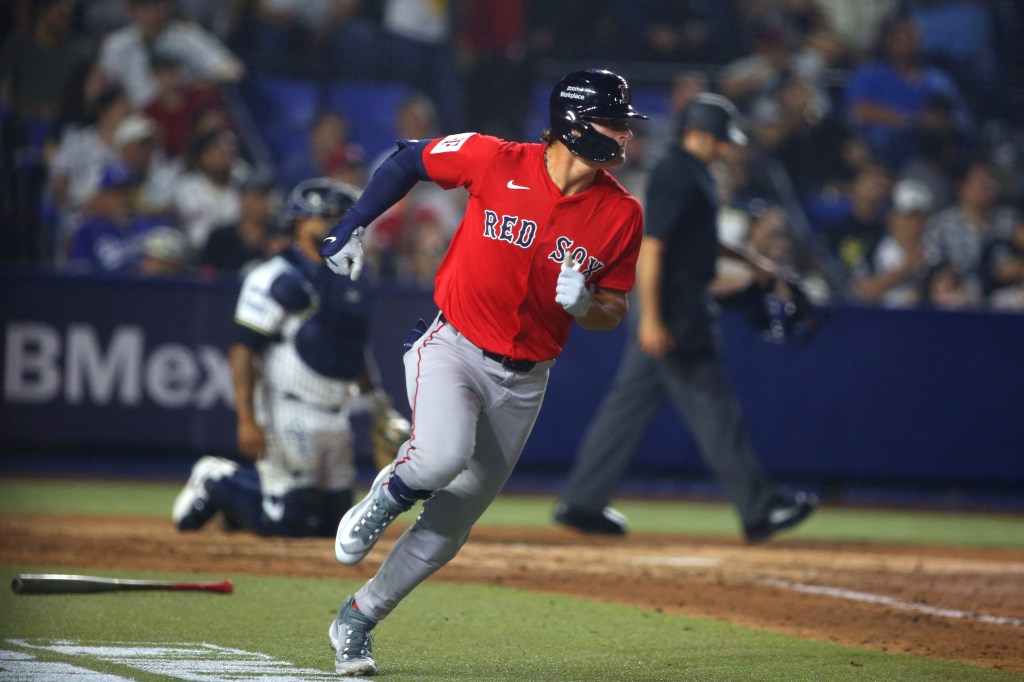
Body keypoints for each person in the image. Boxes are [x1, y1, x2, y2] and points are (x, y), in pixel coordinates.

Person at [317, 68, 648, 676]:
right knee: (440, 458)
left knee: (453, 520)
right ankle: (389, 492)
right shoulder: (496, 159)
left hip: (527, 377)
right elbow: (408, 159)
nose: (625, 135)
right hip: (456, 345)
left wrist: (584, 305)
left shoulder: (622, 213)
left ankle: (356, 622)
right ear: (574, 125)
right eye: (614, 122)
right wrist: (353, 221)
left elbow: (614, 310)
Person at [552, 93, 818, 544]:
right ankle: (760, 507)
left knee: (627, 409)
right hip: (676, 311)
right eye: (718, 138)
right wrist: (652, 318)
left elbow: (696, 240)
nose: (726, 147)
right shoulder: (677, 172)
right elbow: (653, 248)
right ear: (696, 133)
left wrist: (755, 262)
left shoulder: (693, 173)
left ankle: (582, 501)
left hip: (675, 307)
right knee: (715, 411)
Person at [172, 178, 385, 537]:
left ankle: (238, 509)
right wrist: (246, 418)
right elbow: (243, 348)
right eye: (328, 217)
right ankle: (217, 480)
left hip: (336, 412)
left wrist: (377, 405)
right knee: (289, 519)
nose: (340, 225)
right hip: (287, 405)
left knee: (334, 525)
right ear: (301, 222)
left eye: (344, 217)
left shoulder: (350, 276)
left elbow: (351, 348)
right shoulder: (272, 275)